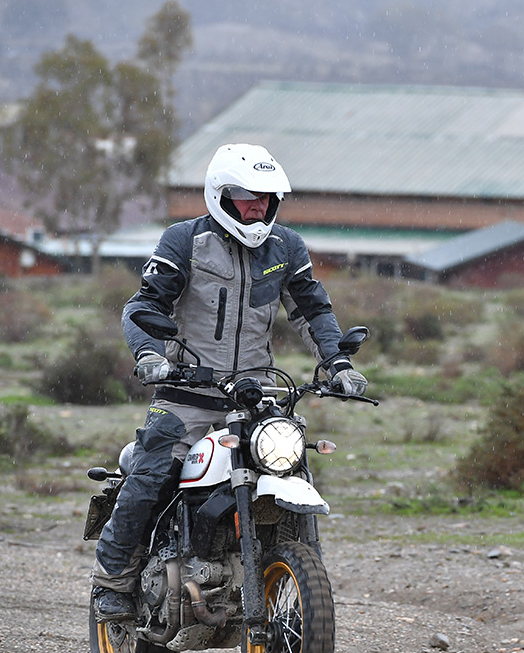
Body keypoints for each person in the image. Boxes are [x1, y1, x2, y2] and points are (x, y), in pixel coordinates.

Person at [91, 142, 367, 621]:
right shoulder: (184, 240)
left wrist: (338, 364)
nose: (258, 205)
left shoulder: (286, 248)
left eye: (266, 196)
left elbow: (312, 310)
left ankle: (296, 585)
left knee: (290, 467)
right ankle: (113, 580)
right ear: (221, 195)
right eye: (246, 195)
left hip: (257, 397)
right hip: (186, 395)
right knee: (153, 473)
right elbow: (143, 307)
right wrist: (151, 356)